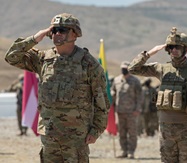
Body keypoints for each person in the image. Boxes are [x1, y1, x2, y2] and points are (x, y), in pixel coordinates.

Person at [5, 13, 110, 162]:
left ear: (74, 33)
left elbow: (102, 102)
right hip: (49, 135)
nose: (57, 34)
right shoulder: (43, 59)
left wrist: (96, 130)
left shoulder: (88, 64)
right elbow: (11, 56)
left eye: (62, 30)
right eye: (54, 30)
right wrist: (35, 38)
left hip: (76, 138)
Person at [128, 27, 187, 163]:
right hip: (165, 130)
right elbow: (133, 69)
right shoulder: (162, 69)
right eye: (171, 47)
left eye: (178, 47)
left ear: (186, 49)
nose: (174, 49)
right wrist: (151, 52)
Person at [111, 61, 142, 159]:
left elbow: (140, 96)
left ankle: (131, 152)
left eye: (125, 68)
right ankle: (124, 151)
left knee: (132, 133)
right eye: (122, 68)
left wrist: (137, 109)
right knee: (122, 133)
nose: (123, 70)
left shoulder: (135, 81)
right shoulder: (116, 80)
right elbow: (113, 92)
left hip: (132, 112)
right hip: (119, 111)